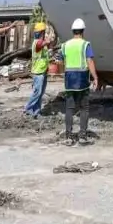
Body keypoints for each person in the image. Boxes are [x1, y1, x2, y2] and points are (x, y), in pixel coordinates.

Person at [62, 17, 99, 145]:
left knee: (69, 109)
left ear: (73, 31)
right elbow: (89, 61)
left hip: (69, 81)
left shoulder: (65, 45)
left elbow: (60, 60)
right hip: (82, 80)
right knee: (84, 108)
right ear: (83, 31)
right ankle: (82, 136)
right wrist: (95, 77)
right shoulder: (85, 44)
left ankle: (68, 136)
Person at [23, 22, 53, 118]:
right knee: (37, 92)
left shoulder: (42, 44)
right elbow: (43, 43)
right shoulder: (37, 43)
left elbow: (47, 50)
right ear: (42, 32)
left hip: (43, 71)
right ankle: (28, 108)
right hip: (38, 72)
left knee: (41, 93)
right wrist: (49, 38)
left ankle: (37, 111)